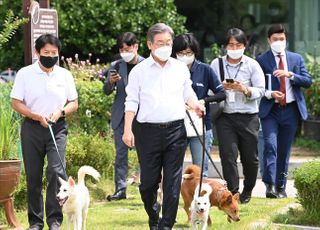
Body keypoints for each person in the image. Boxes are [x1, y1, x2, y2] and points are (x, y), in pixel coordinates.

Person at [122, 23, 203, 230]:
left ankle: (166, 225)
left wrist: (196, 105)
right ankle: (152, 211)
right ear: (150, 44)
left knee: (172, 183)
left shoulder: (179, 68)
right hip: (147, 132)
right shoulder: (139, 71)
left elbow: (188, 93)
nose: (165, 46)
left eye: (168, 43)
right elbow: (131, 101)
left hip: (176, 130)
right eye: (160, 43)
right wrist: (127, 129)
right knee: (147, 184)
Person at [10, 34, 78, 230]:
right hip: (32, 128)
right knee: (33, 176)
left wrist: (61, 111)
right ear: (37, 52)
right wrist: (34, 115)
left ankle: (55, 221)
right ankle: (36, 222)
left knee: (56, 172)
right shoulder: (25, 73)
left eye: (54, 53)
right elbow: (15, 103)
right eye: (46, 52)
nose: (50, 56)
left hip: (57, 128)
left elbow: (74, 102)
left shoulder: (64, 75)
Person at [256, 24, 312, 198]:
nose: (279, 42)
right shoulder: (261, 60)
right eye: (275, 39)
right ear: (269, 40)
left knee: (284, 150)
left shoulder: (296, 59)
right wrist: (271, 94)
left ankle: (281, 186)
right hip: (270, 110)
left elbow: (307, 81)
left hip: (291, 110)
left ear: (286, 39)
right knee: (270, 146)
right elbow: (257, 85)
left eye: (282, 39)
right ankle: (270, 185)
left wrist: (290, 75)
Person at [210, 28, 265, 204]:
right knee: (228, 155)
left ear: (244, 46)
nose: (234, 48)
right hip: (225, 116)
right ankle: (233, 193)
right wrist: (221, 87)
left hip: (249, 116)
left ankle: (248, 189)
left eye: (238, 44)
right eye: (231, 44)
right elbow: (211, 90)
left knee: (250, 158)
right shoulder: (216, 64)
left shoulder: (252, 64)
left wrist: (245, 89)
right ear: (225, 46)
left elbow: (261, 90)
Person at [172, 33, 226, 178]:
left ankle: (200, 199)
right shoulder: (170, 70)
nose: (185, 56)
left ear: (194, 52)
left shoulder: (205, 69)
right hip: (176, 124)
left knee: (200, 169)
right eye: (181, 53)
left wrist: (204, 101)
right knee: (173, 165)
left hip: (201, 124)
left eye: (188, 53)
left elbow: (222, 94)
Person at [103, 32, 144, 201]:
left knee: (145, 153)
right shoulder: (116, 65)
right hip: (121, 116)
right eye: (122, 49)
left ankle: (146, 186)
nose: (125, 52)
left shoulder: (147, 65)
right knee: (120, 155)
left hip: (142, 115)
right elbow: (106, 91)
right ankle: (120, 189)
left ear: (136, 47)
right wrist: (110, 82)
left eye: (128, 48)